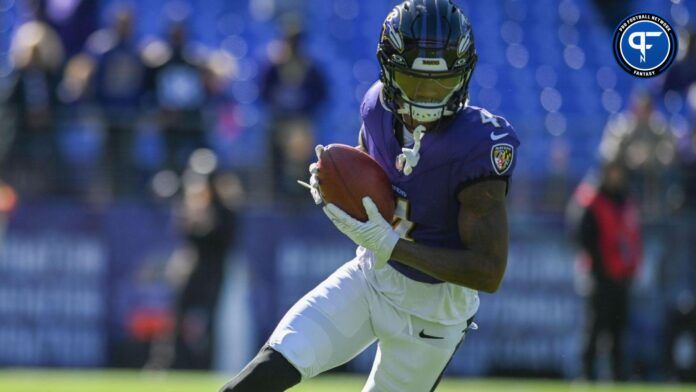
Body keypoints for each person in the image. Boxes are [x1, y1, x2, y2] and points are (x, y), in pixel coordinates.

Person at [220, 1, 520, 391]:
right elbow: (372, 174)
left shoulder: (479, 145)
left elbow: (488, 272)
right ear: (390, 71)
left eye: (440, 83)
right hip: (370, 278)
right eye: (415, 82)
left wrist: (392, 245)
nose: (427, 98)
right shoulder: (377, 107)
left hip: (433, 316)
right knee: (259, 376)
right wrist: (334, 179)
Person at [577, 161, 642, 381]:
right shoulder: (592, 200)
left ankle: (617, 376)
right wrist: (599, 266)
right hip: (599, 277)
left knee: (618, 330)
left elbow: (633, 238)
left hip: (621, 277)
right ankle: (588, 375)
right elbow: (583, 236)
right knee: (595, 328)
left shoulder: (625, 201)